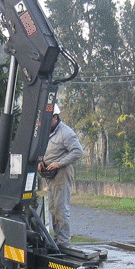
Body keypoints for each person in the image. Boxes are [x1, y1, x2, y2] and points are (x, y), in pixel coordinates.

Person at [39, 105, 83, 246]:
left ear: (55, 118)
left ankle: (63, 242)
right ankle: (58, 239)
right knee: (53, 208)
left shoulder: (66, 132)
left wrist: (59, 163)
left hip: (62, 174)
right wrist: (40, 161)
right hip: (50, 175)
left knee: (60, 208)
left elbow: (78, 151)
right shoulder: (47, 132)